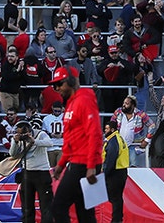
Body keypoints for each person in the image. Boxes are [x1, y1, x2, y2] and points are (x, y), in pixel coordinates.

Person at [50, 66, 104, 223]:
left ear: (71, 81)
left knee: (58, 207)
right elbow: (70, 140)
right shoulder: (71, 104)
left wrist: (91, 166)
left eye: (59, 84)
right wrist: (61, 164)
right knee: (85, 212)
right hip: (78, 162)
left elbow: (94, 133)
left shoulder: (84, 100)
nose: (57, 88)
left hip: (84, 164)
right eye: (55, 85)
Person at [9, 119, 54, 223]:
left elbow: (49, 143)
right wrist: (15, 142)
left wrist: (34, 141)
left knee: (46, 204)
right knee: (27, 205)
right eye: (20, 133)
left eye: (25, 133)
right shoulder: (18, 137)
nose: (24, 135)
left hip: (42, 171)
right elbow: (13, 154)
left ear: (30, 130)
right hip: (27, 173)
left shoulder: (40, 134)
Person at [102, 119, 130, 223]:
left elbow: (111, 159)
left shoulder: (113, 141)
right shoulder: (118, 138)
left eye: (107, 129)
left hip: (115, 172)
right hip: (121, 171)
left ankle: (116, 220)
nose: (105, 131)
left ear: (113, 129)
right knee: (117, 198)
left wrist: (105, 173)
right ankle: (118, 219)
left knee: (115, 198)